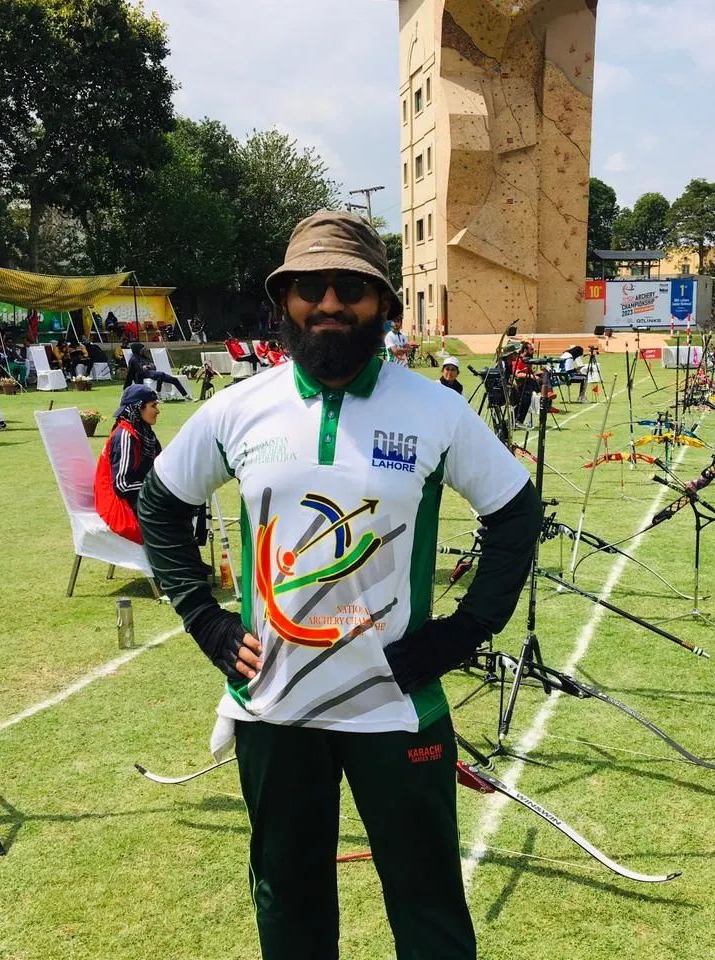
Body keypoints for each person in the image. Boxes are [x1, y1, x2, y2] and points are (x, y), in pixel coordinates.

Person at [137, 210, 542, 960]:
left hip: (396, 708)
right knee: (287, 901)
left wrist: (464, 630)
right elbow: (160, 504)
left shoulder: (435, 409)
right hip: (274, 707)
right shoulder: (239, 408)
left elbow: (517, 512)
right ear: (283, 300)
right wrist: (205, 618)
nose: (329, 303)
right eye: (310, 287)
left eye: (351, 288)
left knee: (428, 906)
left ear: (384, 303)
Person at [94, 385, 162, 543]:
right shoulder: (125, 435)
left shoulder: (144, 432)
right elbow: (122, 485)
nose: (158, 411)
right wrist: (159, 490)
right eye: (153, 406)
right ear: (138, 408)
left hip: (136, 495)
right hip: (117, 502)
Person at [123, 341, 193, 400]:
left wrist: (148, 366)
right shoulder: (133, 359)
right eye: (142, 349)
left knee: (174, 379)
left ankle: (186, 396)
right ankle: (158, 393)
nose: (143, 351)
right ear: (137, 350)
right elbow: (134, 372)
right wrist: (126, 388)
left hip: (151, 372)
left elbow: (153, 366)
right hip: (144, 374)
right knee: (161, 375)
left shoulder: (144, 358)